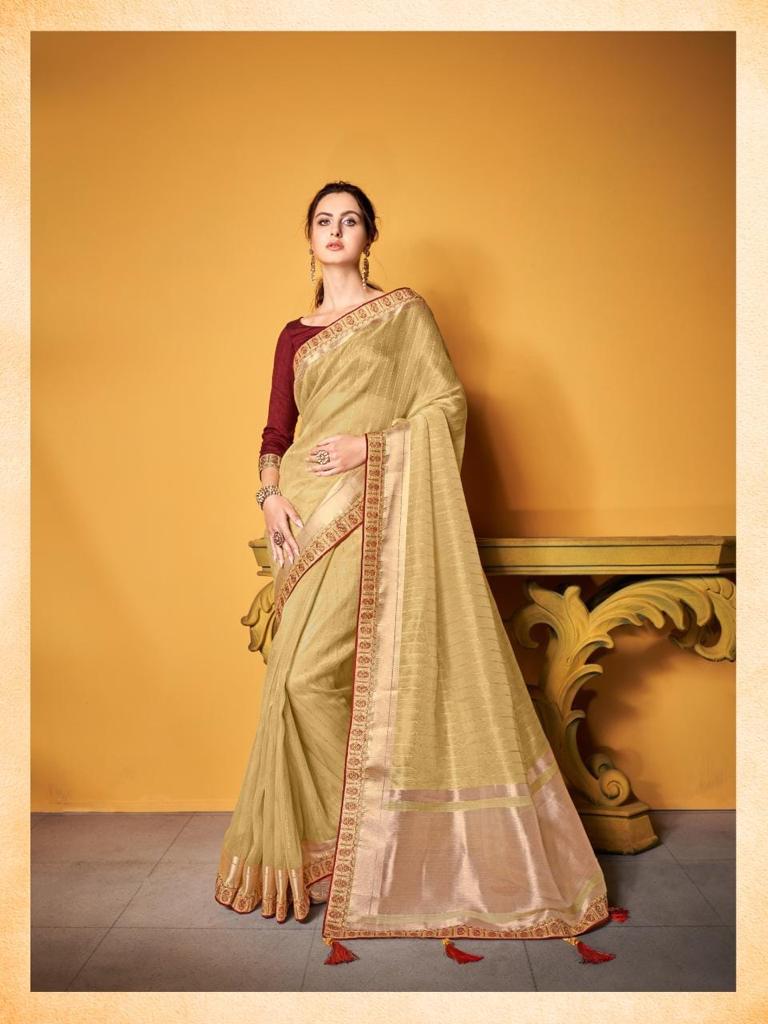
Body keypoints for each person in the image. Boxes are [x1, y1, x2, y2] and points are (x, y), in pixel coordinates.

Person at [214, 180, 627, 965]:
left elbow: (446, 407)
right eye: (324, 221)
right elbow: (275, 430)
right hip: (306, 519)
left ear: (370, 237)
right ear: (309, 238)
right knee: (295, 685)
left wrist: (370, 449)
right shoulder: (293, 335)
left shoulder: (402, 314)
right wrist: (270, 496)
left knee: (332, 677)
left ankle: (390, 846)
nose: (337, 230)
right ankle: (339, 850)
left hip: (375, 507)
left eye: (351, 220)